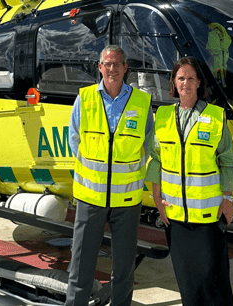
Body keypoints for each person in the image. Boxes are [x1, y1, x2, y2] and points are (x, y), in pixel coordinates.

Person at [147, 56, 233, 306]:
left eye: (191, 78)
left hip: (208, 217)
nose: (186, 83)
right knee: (187, 282)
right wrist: (157, 197)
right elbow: (156, 160)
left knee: (214, 281)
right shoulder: (163, 116)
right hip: (175, 217)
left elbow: (228, 161)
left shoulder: (215, 116)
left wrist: (228, 198)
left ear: (199, 82)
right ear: (174, 82)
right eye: (181, 78)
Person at [65, 45, 155, 306]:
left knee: (124, 269)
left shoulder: (142, 102)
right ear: (100, 67)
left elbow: (147, 145)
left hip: (126, 201)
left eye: (117, 64)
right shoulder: (85, 98)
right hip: (90, 199)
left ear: (125, 68)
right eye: (107, 64)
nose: (112, 69)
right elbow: (74, 140)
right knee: (80, 266)